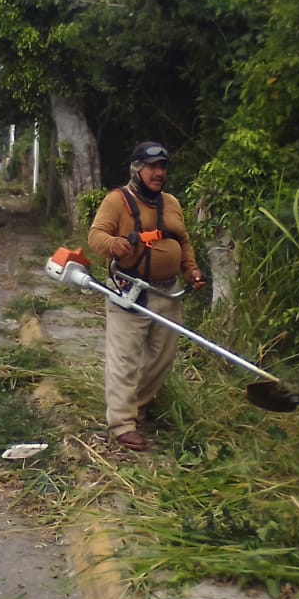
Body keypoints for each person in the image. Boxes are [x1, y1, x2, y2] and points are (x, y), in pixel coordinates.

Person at [88, 141, 204, 451]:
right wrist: (113, 245)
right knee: (124, 360)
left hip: (168, 292)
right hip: (131, 290)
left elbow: (183, 240)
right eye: (152, 166)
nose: (159, 172)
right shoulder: (117, 201)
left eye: (163, 167)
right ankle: (122, 423)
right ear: (136, 169)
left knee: (161, 359)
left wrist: (190, 269)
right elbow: (96, 235)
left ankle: (136, 407)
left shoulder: (171, 203)